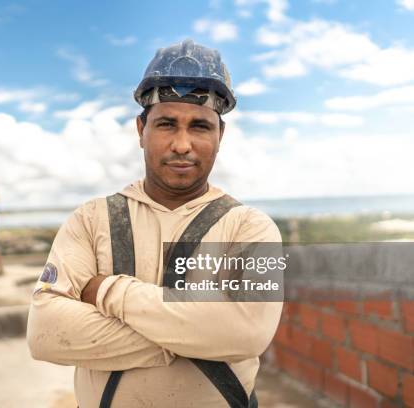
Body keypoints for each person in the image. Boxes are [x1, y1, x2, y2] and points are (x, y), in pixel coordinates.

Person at [27, 39, 283, 407]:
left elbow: (249, 332)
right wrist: (193, 335)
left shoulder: (251, 229)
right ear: (140, 130)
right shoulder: (90, 220)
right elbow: (45, 334)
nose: (182, 144)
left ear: (220, 135)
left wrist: (107, 292)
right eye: (167, 124)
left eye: (199, 126)